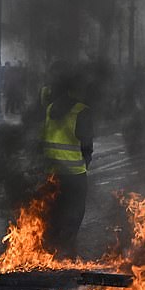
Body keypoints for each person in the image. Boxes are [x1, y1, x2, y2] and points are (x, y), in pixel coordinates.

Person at [41, 63, 94, 255]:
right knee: (74, 213)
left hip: (51, 172)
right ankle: (66, 252)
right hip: (74, 173)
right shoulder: (81, 111)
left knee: (54, 211)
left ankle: (50, 251)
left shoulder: (50, 108)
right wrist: (85, 163)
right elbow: (86, 144)